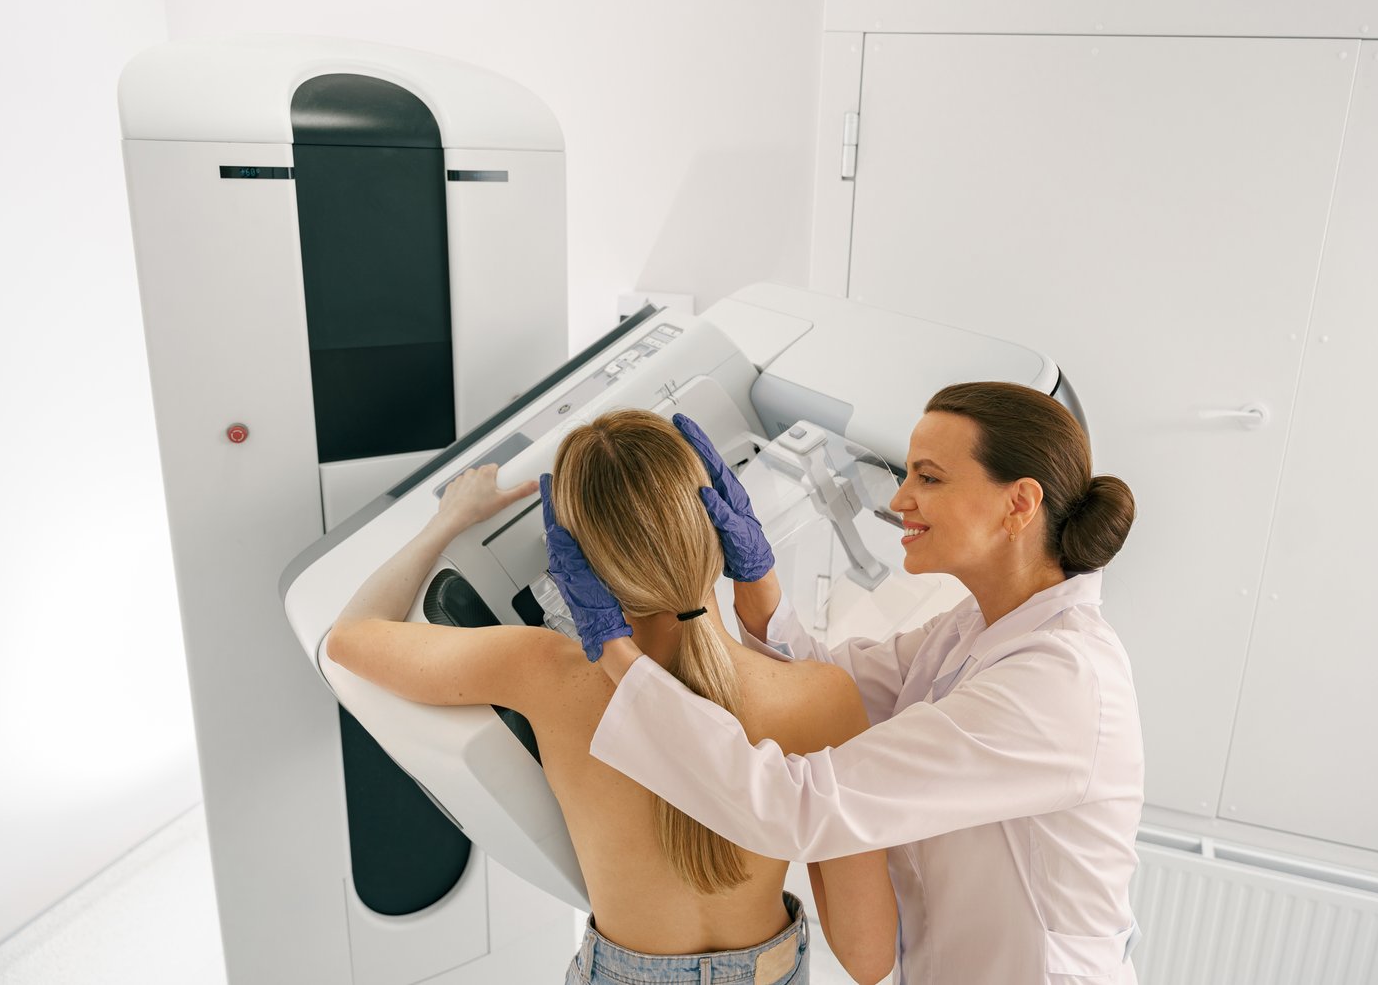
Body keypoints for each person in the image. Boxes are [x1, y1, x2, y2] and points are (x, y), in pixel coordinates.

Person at [551, 383, 1144, 984]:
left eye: (929, 478)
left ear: (1018, 504)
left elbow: (800, 805)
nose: (901, 497)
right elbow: (831, 686)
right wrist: (756, 580)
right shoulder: (975, 628)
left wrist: (621, 660)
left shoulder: (1059, 683)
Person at [325, 409, 899, 984]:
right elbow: (868, 959)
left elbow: (348, 638)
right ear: (719, 529)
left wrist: (447, 521)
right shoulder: (820, 697)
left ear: (577, 569)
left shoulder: (541, 672)